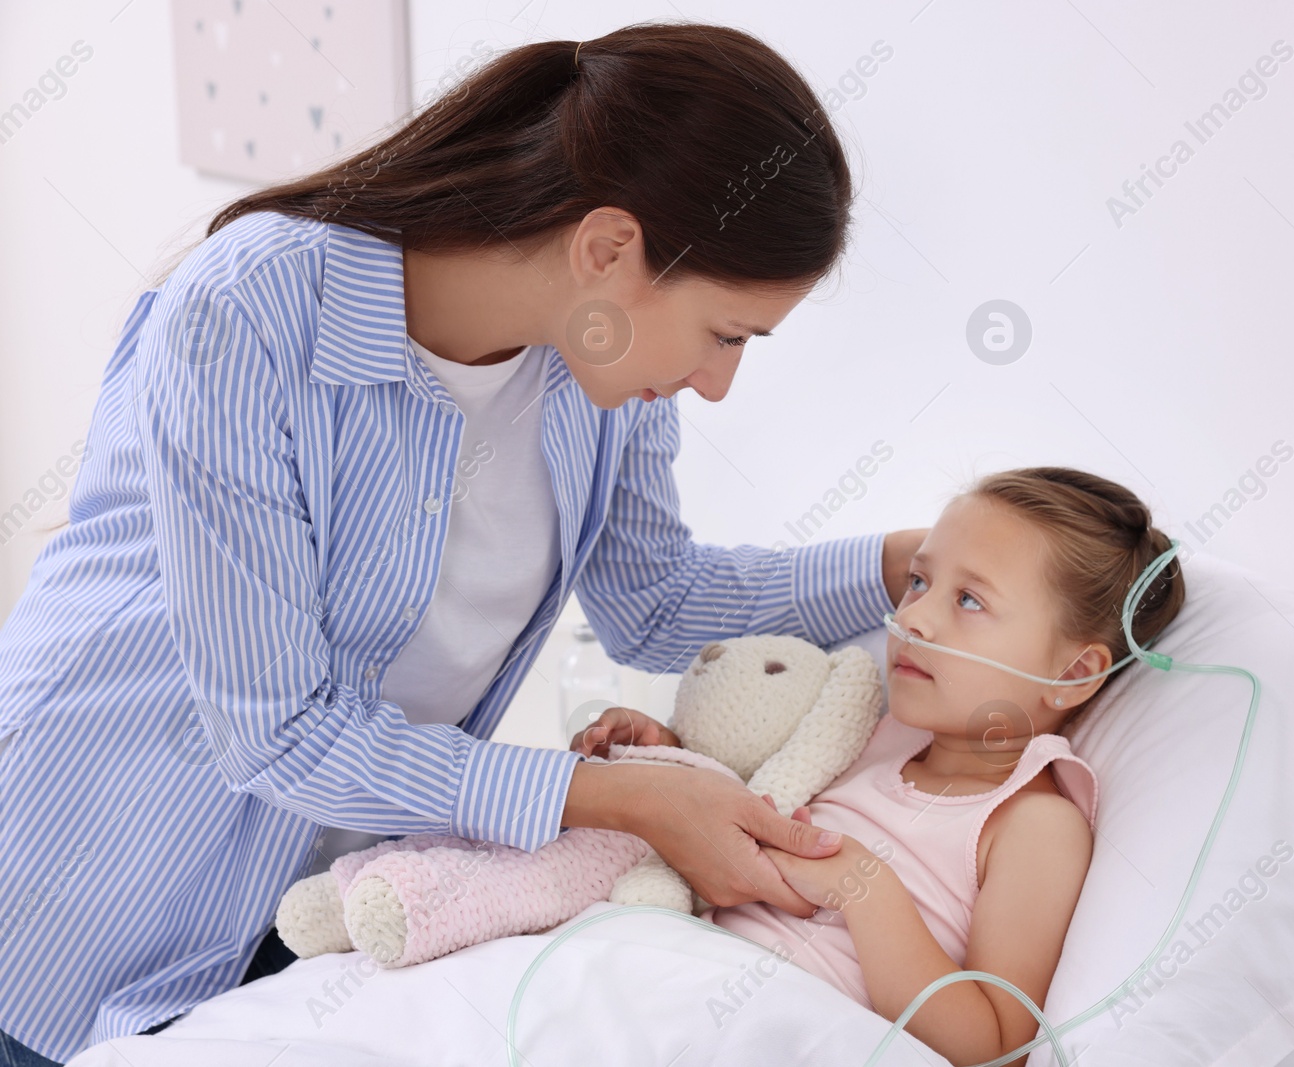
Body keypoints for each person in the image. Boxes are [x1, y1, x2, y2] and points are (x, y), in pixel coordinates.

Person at [0, 23, 925, 1066]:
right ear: (609, 249)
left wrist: (910, 563)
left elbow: (657, 599)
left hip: (313, 904)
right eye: (726, 333)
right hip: (78, 887)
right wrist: (619, 797)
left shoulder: (602, 380)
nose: (719, 383)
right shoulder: (252, 307)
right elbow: (280, 731)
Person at [577, 467, 1186, 1066]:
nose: (911, 618)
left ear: (1073, 674)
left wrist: (864, 889)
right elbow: (742, 792)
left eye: (969, 599)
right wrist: (666, 750)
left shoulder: (1032, 823)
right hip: (658, 970)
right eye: (918, 581)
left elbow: (997, 1050)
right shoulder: (870, 730)